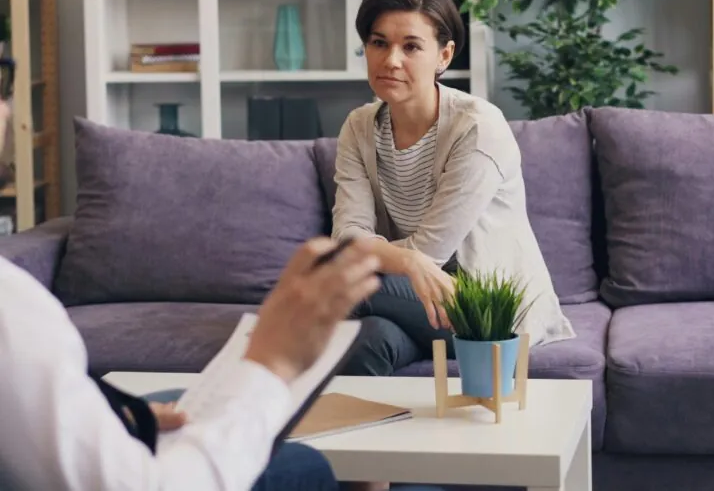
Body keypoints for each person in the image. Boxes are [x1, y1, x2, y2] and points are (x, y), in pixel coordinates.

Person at [0, 95, 434, 491]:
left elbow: (437, 243)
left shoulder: (472, 128)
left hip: (433, 282)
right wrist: (270, 363)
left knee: (376, 323)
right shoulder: (14, 310)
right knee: (306, 465)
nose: (7, 107)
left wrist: (115, 417)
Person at [331, 0, 576, 377]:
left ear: (444, 56)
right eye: (379, 43)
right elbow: (349, 234)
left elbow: (428, 253)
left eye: (411, 46)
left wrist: (398, 259)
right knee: (369, 340)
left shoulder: (478, 128)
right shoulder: (359, 127)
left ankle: (268, 350)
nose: (391, 60)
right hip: (412, 297)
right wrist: (404, 261)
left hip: (484, 307)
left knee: (336, 280)